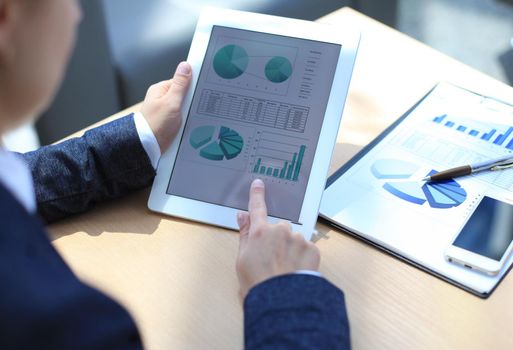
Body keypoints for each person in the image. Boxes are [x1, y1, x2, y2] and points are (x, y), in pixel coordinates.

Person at [0, 0, 350, 349]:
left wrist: (141, 138)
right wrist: (288, 292)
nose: (77, 14)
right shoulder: (67, 325)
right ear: (5, 17)